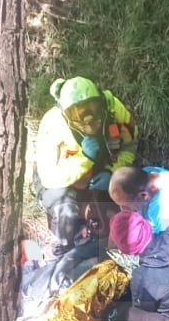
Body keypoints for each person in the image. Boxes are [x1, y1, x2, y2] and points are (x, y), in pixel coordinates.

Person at [35, 76, 137, 250]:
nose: (88, 120)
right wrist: (84, 159)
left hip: (99, 171)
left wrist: (113, 172)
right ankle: (64, 245)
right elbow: (49, 178)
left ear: (100, 100)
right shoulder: (52, 123)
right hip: (62, 183)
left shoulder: (112, 107)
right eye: (78, 114)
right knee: (65, 212)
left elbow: (131, 142)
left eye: (92, 108)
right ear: (65, 113)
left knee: (122, 201)